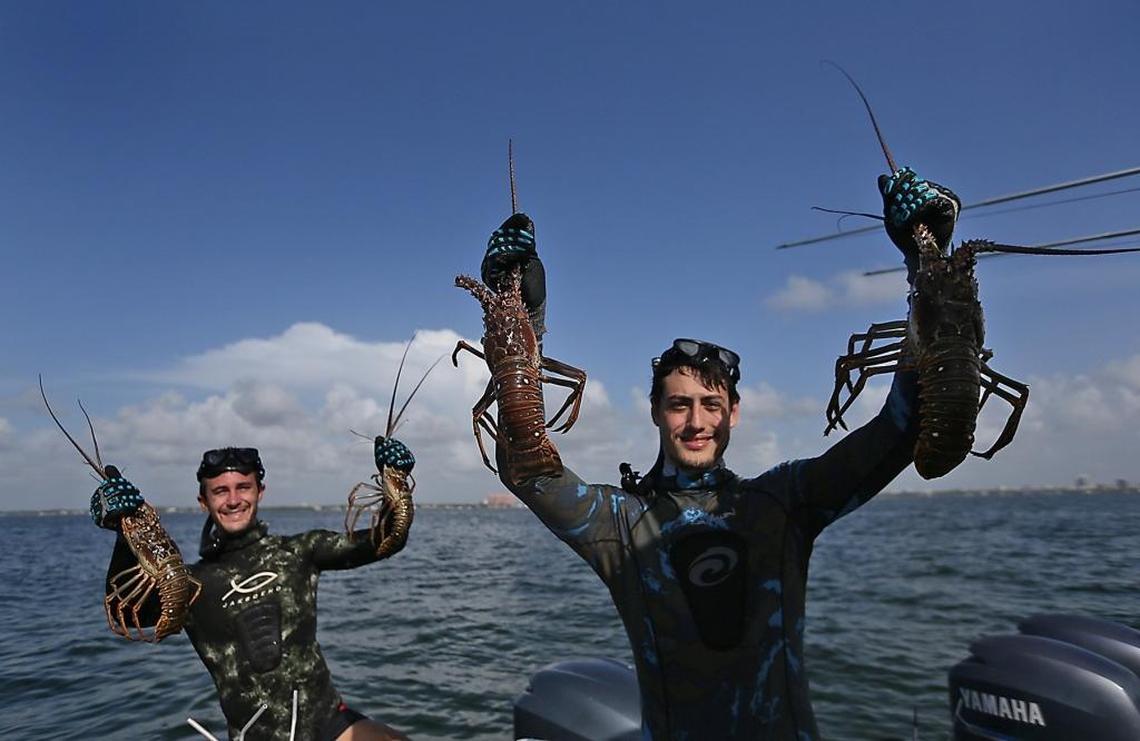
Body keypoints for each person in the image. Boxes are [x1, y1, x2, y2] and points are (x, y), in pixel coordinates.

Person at [480, 168, 959, 739]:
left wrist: (929, 265)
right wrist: (526, 321)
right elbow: (530, 470)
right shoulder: (618, 524)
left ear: (733, 412)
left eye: (711, 404)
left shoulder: (784, 501)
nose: (696, 421)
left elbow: (902, 429)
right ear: (656, 412)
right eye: (679, 404)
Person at [92, 441, 415, 740]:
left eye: (243, 487)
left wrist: (395, 482)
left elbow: (386, 540)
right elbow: (129, 614)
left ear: (261, 491)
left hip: (328, 722)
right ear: (203, 501)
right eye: (220, 491)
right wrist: (124, 531)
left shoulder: (300, 551)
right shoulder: (192, 583)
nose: (233, 500)